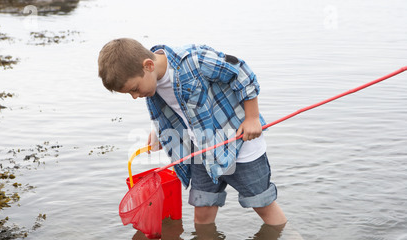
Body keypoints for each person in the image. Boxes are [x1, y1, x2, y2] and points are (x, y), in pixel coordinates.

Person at [98, 38, 287, 226]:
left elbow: (241, 72)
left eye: (134, 89)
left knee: (263, 206)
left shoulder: (195, 60)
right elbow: (173, 107)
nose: (135, 96)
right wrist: (157, 133)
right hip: (202, 152)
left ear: (148, 65)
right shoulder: (150, 83)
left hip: (241, 146)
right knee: (202, 214)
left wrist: (252, 117)